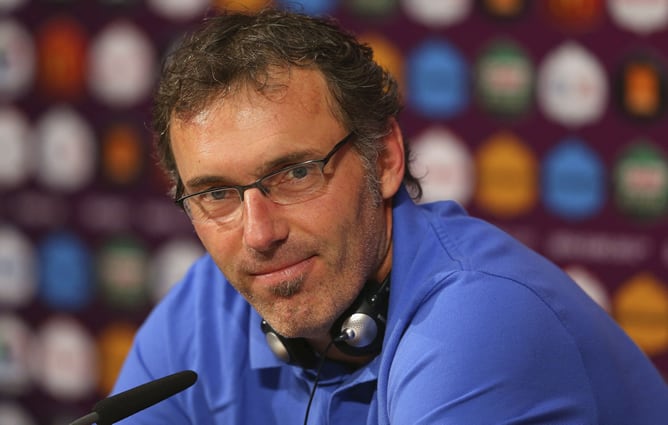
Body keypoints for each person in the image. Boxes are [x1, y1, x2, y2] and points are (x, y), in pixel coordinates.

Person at [110, 7, 668, 424]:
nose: (259, 234)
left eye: (297, 173)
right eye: (215, 195)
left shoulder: (477, 321)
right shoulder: (206, 307)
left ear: (385, 160)